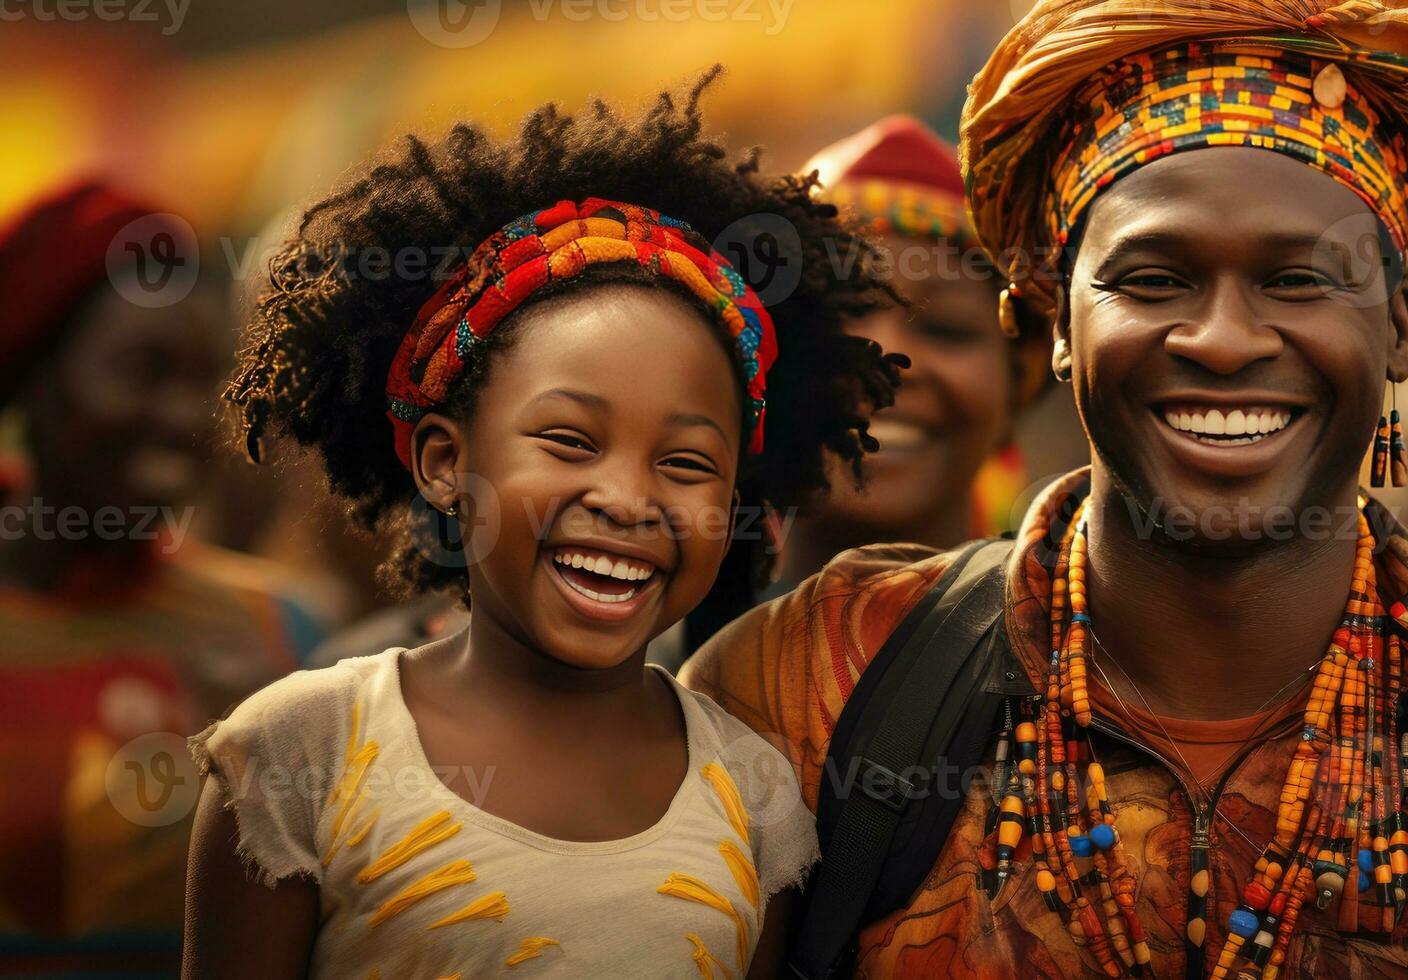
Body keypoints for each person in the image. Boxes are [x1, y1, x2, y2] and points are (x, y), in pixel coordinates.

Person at [681, 1, 1408, 976]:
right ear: (1055, 320)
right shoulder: (809, 694)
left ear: (1397, 325)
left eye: (1299, 278)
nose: (1226, 339)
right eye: (1153, 278)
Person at [181, 75, 903, 978]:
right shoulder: (301, 755)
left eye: (684, 463)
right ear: (445, 461)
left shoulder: (758, 798)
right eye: (570, 441)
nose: (629, 498)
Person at [0, 180, 318, 975]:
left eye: (205, 380)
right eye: (143, 370)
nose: (183, 416)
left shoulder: (279, 631)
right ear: (34, 376)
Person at [678, 115, 1050, 657]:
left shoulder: (1081, 669)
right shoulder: (645, 676)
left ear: (1020, 381)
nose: (888, 361)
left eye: (946, 328)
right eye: (842, 316)